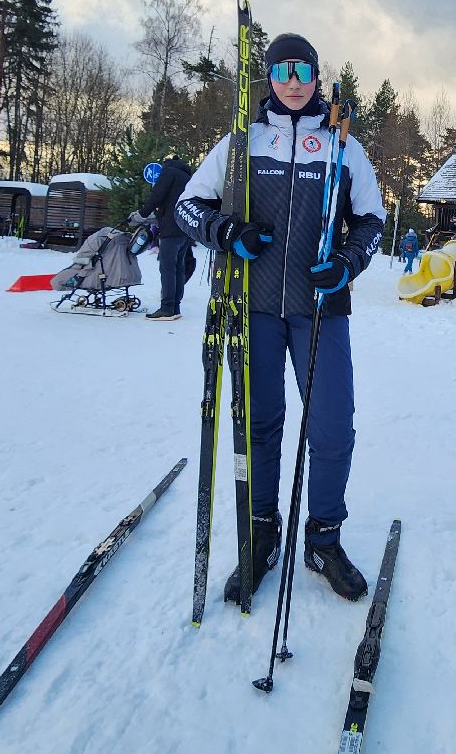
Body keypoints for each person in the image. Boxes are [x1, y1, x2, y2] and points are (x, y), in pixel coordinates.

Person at [175, 32, 385, 604]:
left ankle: (323, 537)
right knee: (260, 425)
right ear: (268, 77)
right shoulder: (242, 144)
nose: (293, 80)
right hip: (254, 308)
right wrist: (226, 233)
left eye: (304, 70)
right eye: (282, 70)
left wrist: (346, 262)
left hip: (320, 310)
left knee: (332, 426)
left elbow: (371, 221)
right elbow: (188, 206)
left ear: (318, 78)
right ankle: (261, 532)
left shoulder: (343, 146)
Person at [135, 155, 195, 320]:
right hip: (185, 228)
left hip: (170, 228)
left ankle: (167, 308)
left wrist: (141, 214)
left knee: (167, 268)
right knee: (178, 268)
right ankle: (175, 307)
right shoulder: (187, 177)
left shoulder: (168, 172)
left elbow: (157, 196)